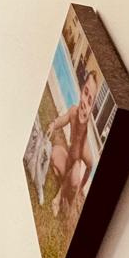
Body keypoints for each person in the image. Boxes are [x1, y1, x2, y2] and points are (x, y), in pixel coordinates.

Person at [45, 65, 101, 219]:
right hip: (67, 164)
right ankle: (61, 177)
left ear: (91, 109)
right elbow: (62, 120)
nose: (84, 102)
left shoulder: (85, 147)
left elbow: (90, 166)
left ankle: (59, 199)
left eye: (90, 101)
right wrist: (53, 125)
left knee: (76, 169)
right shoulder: (73, 112)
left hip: (73, 181)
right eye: (85, 93)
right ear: (82, 90)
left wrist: (80, 188)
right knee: (55, 151)